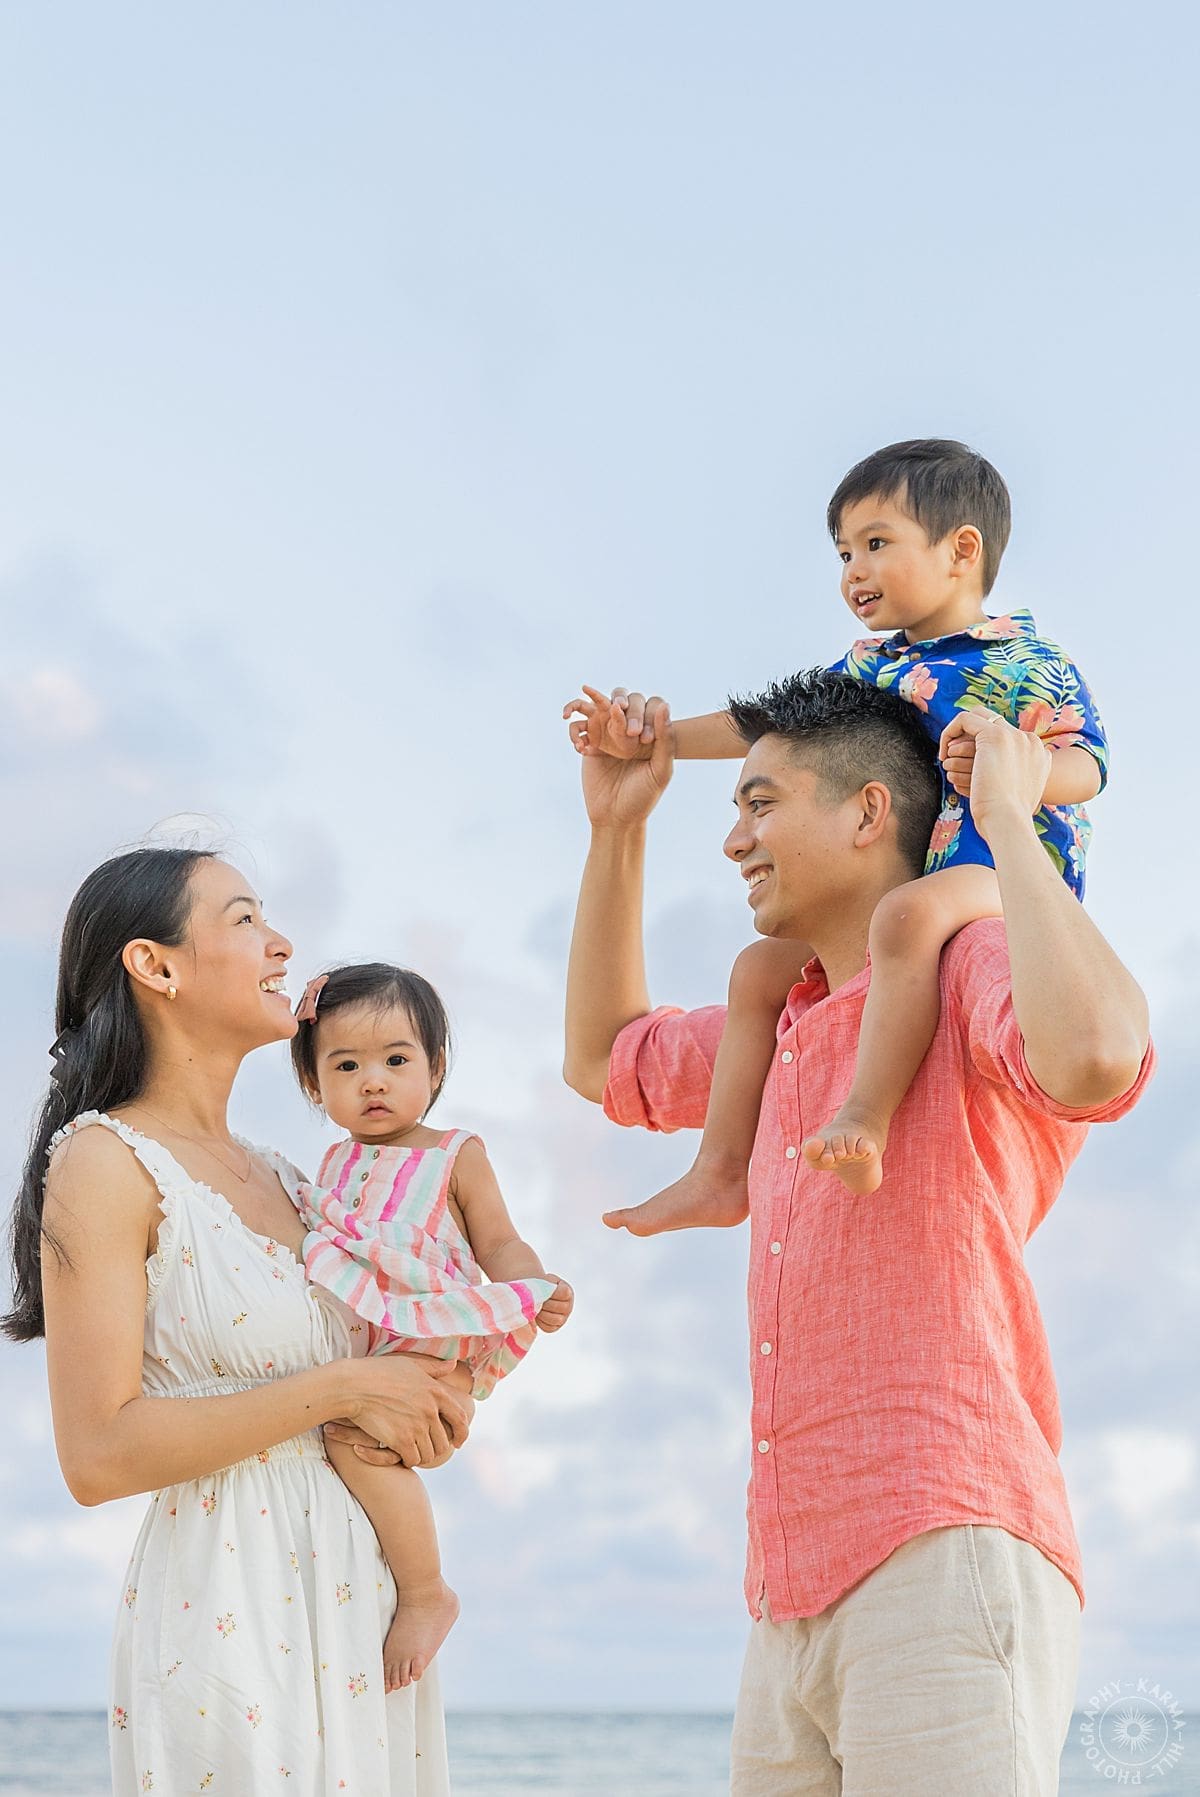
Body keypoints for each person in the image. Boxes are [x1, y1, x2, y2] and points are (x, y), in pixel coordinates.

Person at [561, 669, 1153, 1793]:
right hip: (789, 1589)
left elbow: (1095, 1057)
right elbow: (604, 1060)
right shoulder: (773, 1025)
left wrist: (1008, 831)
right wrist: (615, 831)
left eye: (760, 802)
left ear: (871, 810)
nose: (735, 838)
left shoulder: (966, 959)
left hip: (944, 1543)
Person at [2, 847, 472, 1795]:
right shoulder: (104, 1161)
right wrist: (345, 1387)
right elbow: (98, 1454)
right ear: (157, 964)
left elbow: (394, 1350)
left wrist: (433, 1399)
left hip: (357, 1608)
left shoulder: (296, 1179)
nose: (282, 945)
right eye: (247, 919)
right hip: (228, 1607)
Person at [567, 440, 1107, 1228]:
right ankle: (721, 1171)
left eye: (876, 544)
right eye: (844, 551)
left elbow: (1087, 764)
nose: (853, 569)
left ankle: (866, 1114)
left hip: (999, 878)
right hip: (912, 894)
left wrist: (1014, 771)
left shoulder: (1027, 658)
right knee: (758, 971)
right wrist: (657, 740)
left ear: (962, 550)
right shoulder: (871, 666)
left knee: (907, 918)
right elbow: (763, 719)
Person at [289, 961, 573, 1690]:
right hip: (362, 1327)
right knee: (344, 1447)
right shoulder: (331, 1162)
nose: (373, 1080)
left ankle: (425, 1592)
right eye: (346, 1064)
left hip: (423, 1322)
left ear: (435, 1066)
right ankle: (382, 1581)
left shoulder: (455, 1152)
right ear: (315, 1084)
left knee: (360, 1448)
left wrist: (530, 1283)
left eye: (395, 1059)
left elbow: (499, 1240)